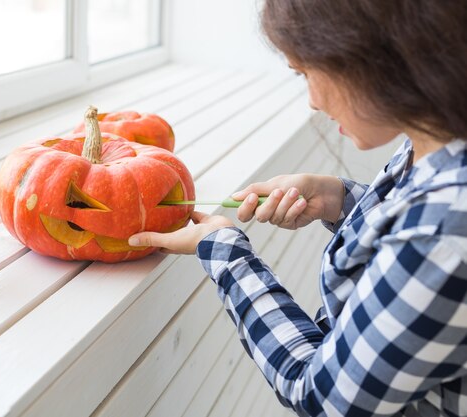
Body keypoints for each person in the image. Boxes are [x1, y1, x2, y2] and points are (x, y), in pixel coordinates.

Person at [128, 1, 467, 415]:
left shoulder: (443, 238)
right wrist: (342, 200)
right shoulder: (438, 145)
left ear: (372, 54)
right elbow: (410, 222)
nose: (311, 101)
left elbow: (321, 396)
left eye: (305, 72)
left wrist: (224, 251)